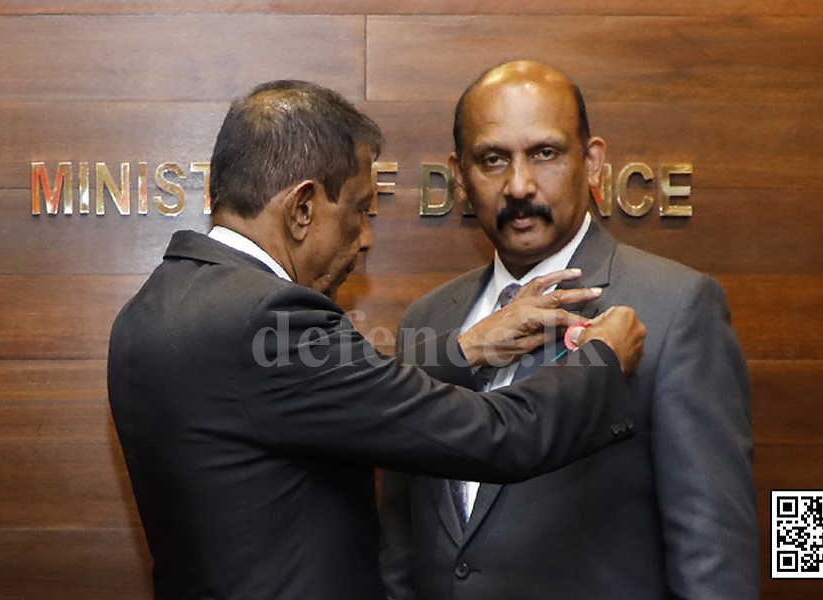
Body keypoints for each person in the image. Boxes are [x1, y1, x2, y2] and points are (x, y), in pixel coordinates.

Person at [106, 79, 647, 600]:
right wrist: (600, 360)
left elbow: (333, 397)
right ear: (302, 208)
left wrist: (468, 350)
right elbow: (493, 435)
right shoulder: (269, 317)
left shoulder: (152, 307)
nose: (366, 238)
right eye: (362, 210)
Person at [379, 61, 758, 600]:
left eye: (544, 153)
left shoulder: (676, 308)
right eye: (493, 160)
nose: (519, 185)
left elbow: (713, 558)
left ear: (593, 161)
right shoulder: (429, 319)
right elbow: (402, 544)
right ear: (460, 176)